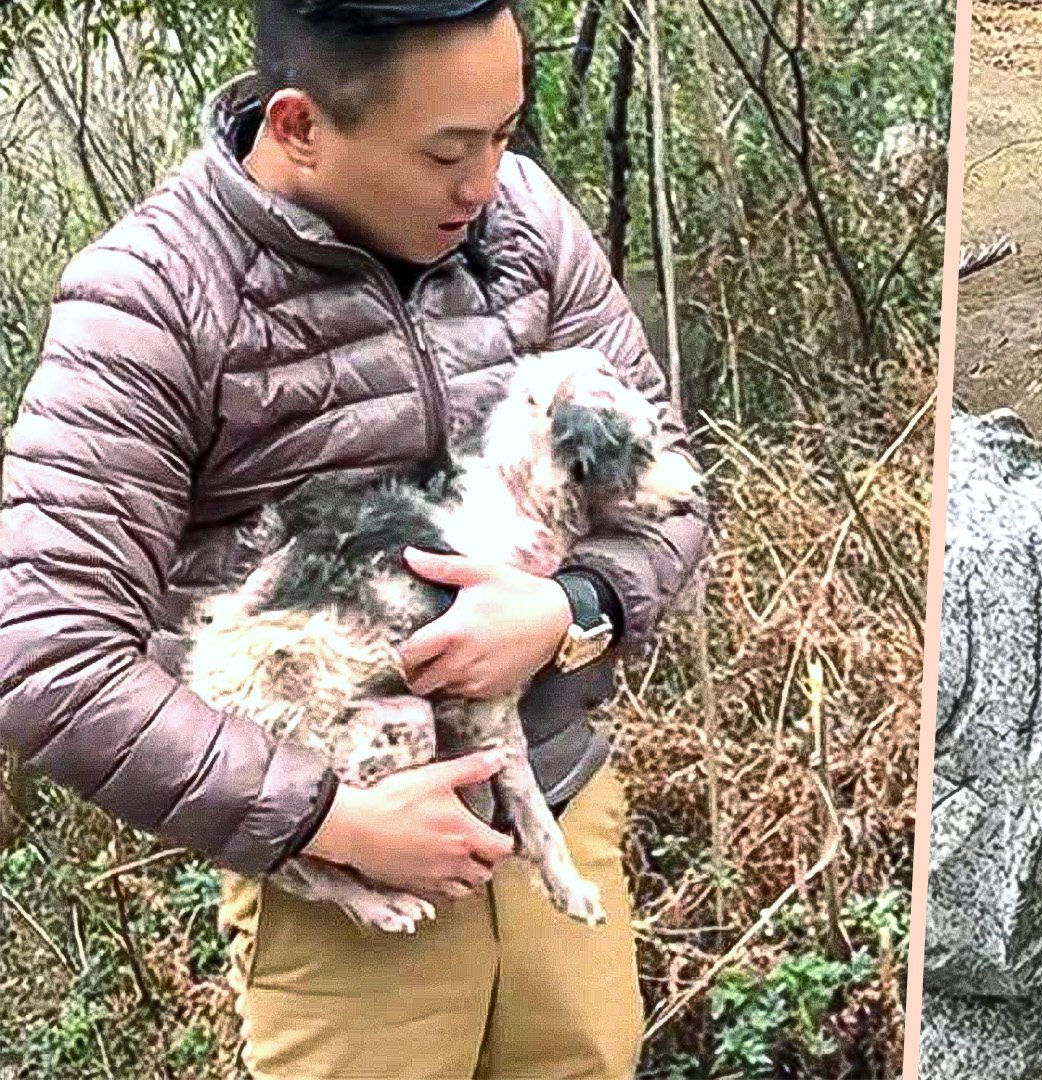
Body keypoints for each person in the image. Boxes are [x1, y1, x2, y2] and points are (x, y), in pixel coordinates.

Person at [0, 0, 707, 1075]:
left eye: (506, 133)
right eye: (447, 153)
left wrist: (574, 611)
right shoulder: (152, 299)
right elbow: (45, 645)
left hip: (551, 802)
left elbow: (672, 489)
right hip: (346, 882)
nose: (486, 183)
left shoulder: (524, 223)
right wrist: (323, 820)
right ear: (298, 127)